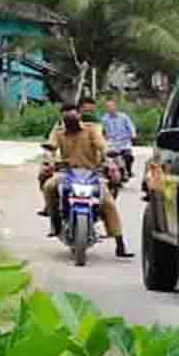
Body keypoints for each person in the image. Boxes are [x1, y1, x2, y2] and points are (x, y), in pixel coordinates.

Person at [37, 103, 128, 257]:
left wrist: (108, 153)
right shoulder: (58, 131)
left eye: (72, 116)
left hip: (91, 173)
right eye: (66, 117)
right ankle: (55, 221)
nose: (69, 120)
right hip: (66, 173)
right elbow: (51, 146)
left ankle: (120, 243)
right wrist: (49, 157)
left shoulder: (92, 129)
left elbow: (101, 144)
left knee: (107, 202)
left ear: (79, 115)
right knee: (49, 186)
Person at [100, 98, 137, 185]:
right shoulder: (104, 119)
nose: (110, 108)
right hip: (111, 143)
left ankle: (128, 170)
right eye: (108, 107)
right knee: (104, 158)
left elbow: (131, 127)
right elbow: (101, 131)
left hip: (124, 142)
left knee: (128, 156)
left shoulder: (124, 117)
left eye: (112, 106)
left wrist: (133, 135)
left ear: (115, 107)